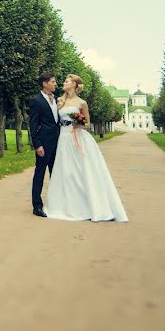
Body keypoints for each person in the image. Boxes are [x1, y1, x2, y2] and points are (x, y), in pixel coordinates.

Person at [44, 74, 128, 222]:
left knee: (79, 171)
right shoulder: (60, 101)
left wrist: (79, 123)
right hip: (63, 138)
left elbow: (88, 123)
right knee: (64, 171)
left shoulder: (82, 103)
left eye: (67, 81)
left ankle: (85, 205)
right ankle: (63, 205)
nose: (63, 83)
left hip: (77, 137)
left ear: (75, 85)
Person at [28, 73, 59, 217]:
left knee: (56, 174)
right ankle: (37, 206)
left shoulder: (58, 99)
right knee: (40, 173)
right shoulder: (36, 101)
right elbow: (32, 125)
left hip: (58, 143)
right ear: (45, 84)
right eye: (53, 82)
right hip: (43, 144)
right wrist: (37, 145)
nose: (55, 84)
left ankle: (56, 203)